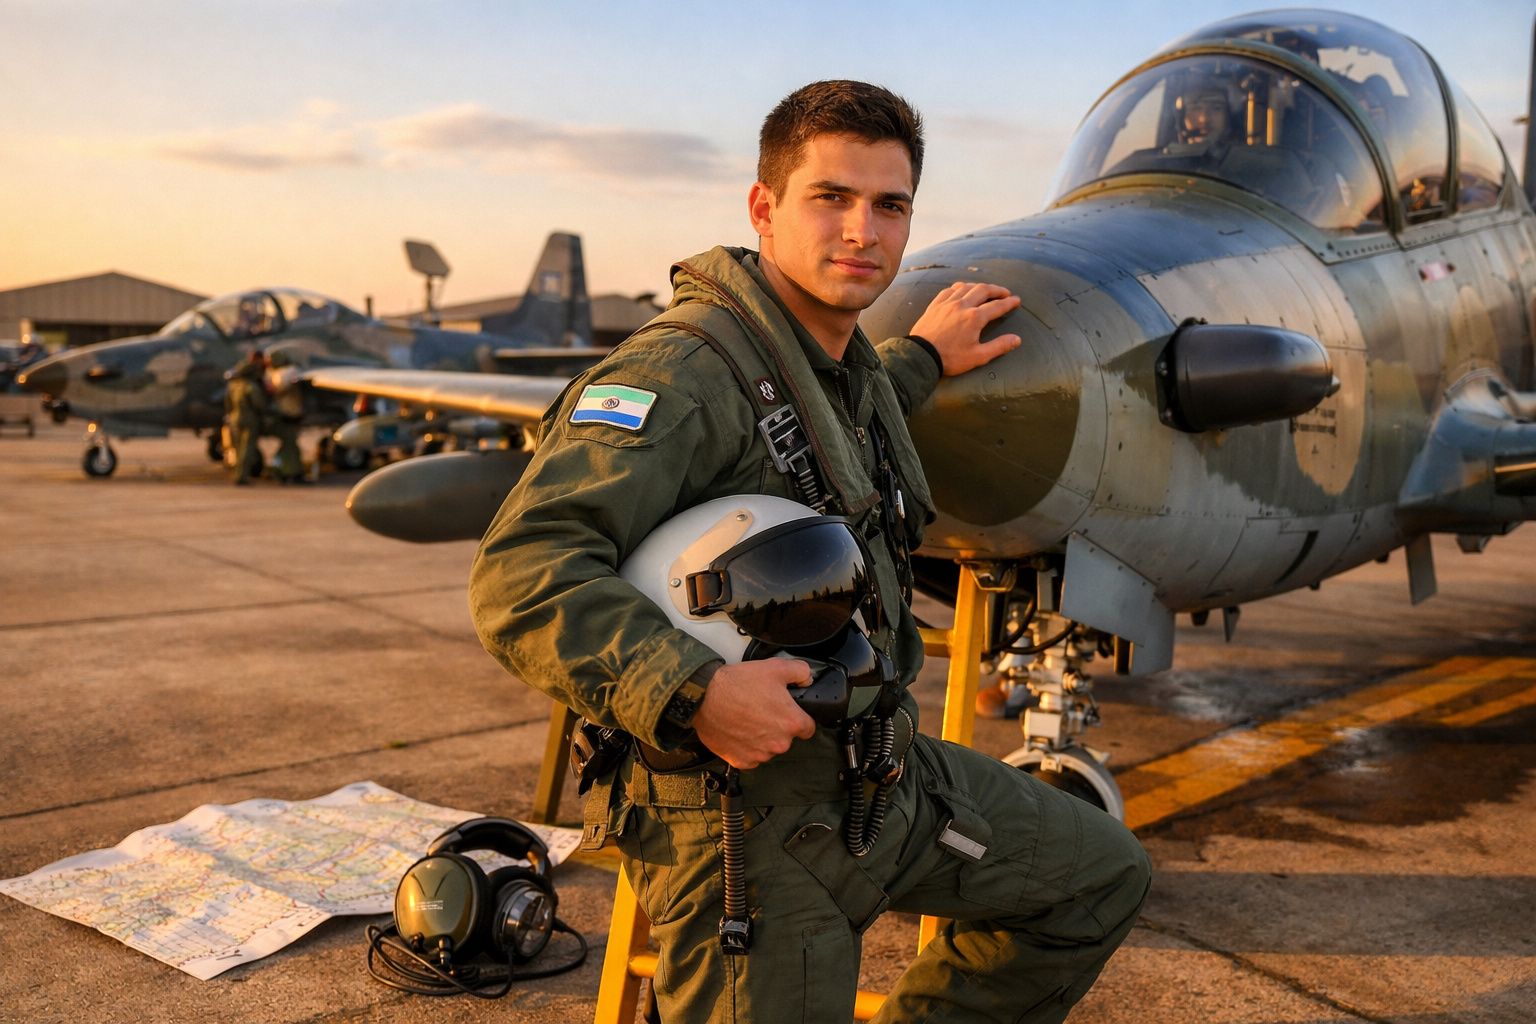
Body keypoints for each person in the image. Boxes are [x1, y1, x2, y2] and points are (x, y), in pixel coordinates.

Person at [469, 80, 1150, 1023]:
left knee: (1098, 877)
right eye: (830, 198)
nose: (861, 231)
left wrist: (922, 354)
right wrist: (696, 692)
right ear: (764, 208)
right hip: (741, 821)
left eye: (889, 205)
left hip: (878, 775)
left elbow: (828, 433)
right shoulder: (685, 372)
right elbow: (522, 573)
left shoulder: (835, 359)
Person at [223, 349, 267, 485]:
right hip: (249, 420)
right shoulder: (251, 387)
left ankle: (236, 472)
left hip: (235, 419)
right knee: (246, 450)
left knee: (237, 447)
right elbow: (259, 404)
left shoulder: (233, 385)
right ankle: (241, 477)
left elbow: (228, 404)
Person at [263, 348, 307, 483]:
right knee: (290, 446)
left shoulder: (285, 372)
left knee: (290, 445)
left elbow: (276, 387)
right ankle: (287, 471)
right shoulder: (283, 373)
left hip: (289, 415)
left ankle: (287, 471)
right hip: (287, 415)